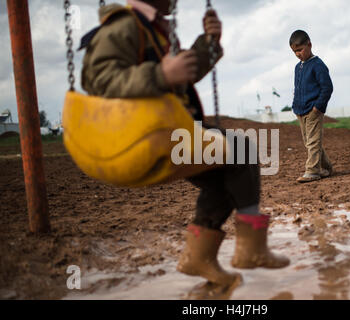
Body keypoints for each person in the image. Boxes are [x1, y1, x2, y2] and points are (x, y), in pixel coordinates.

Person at [79, 0, 289, 288]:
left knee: (224, 177)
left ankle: (198, 258)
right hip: (141, 139)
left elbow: (182, 77)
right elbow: (97, 80)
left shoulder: (155, 28)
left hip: (167, 133)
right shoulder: (125, 25)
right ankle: (251, 249)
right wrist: (160, 74)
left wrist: (208, 43)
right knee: (242, 149)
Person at [290, 30, 334, 183]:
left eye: (300, 49)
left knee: (313, 141)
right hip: (300, 111)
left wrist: (318, 107)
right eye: (294, 51)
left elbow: (327, 87)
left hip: (313, 110)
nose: (297, 54)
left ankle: (312, 171)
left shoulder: (318, 65)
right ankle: (326, 168)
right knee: (309, 142)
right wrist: (295, 106)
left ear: (309, 44)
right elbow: (297, 88)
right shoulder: (298, 67)